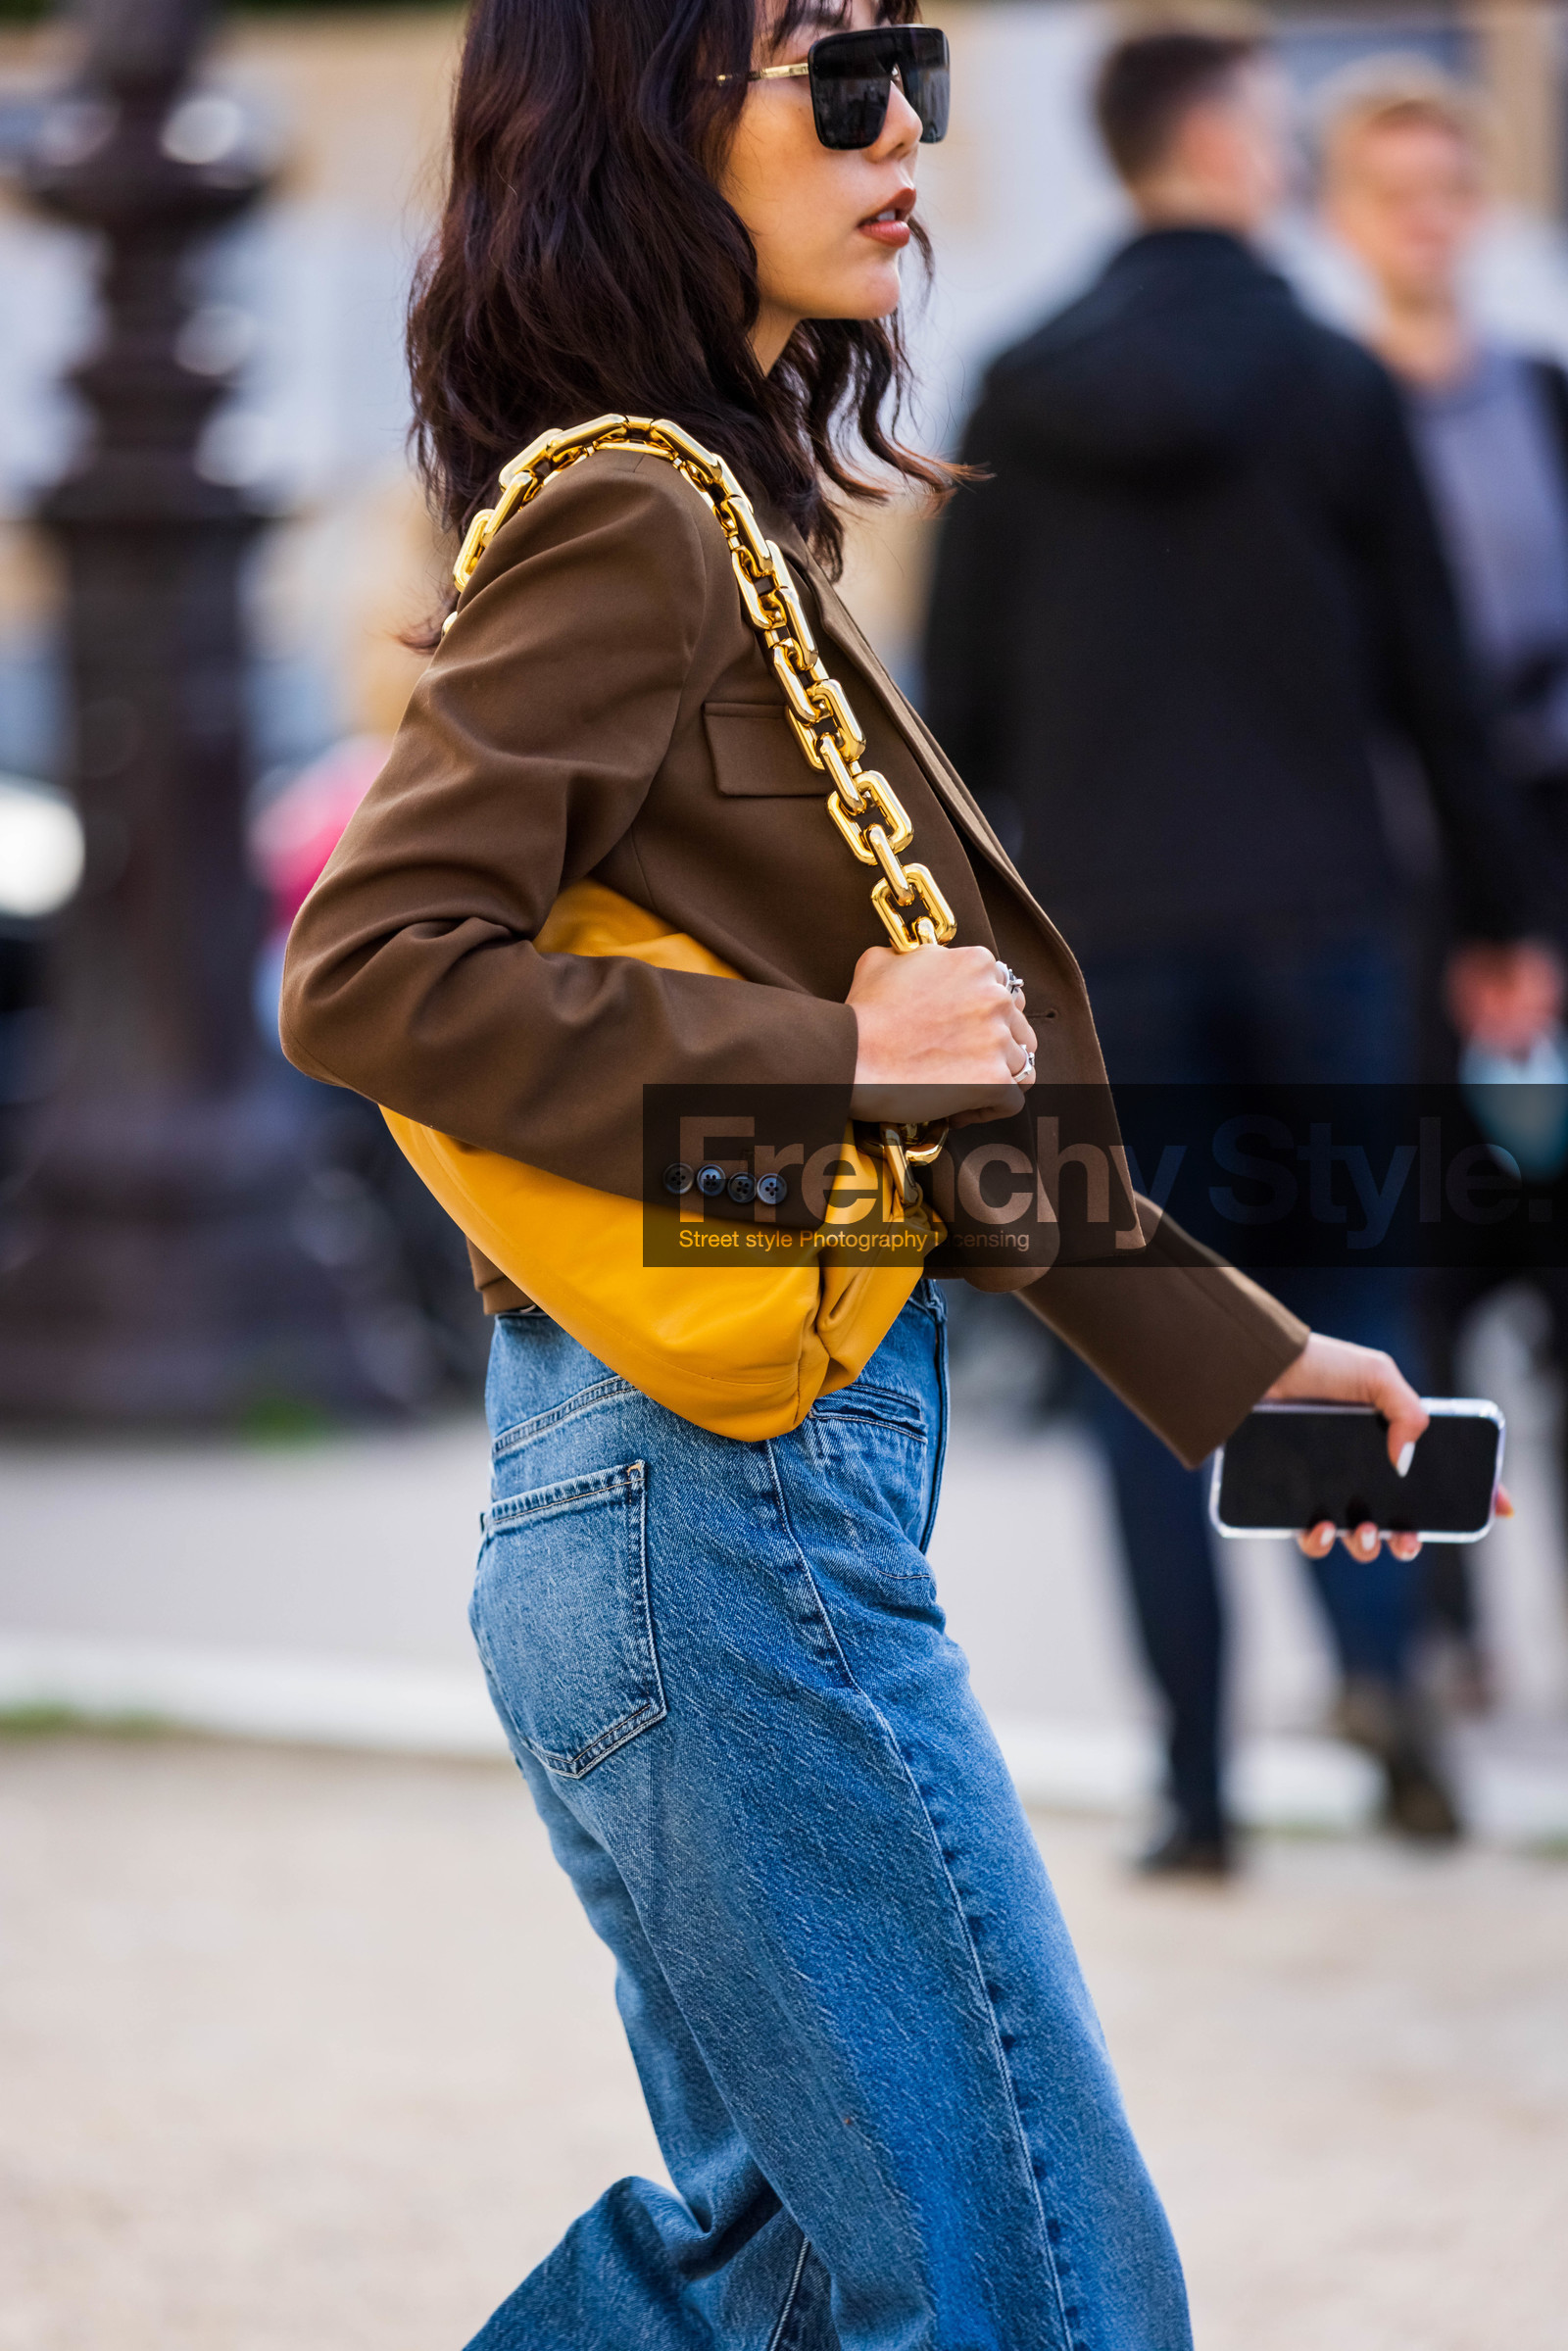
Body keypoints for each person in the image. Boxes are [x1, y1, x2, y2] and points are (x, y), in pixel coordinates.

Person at [280, 5, 1444, 2341]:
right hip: (716, 1518)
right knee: (1039, 2288)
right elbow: (373, 970)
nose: (904, 124)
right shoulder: (631, 514)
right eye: (834, 74)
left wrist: (1246, 1375)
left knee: (800, 2288)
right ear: (643, 121)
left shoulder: (722, 513)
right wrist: (826, 1056)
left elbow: (933, 1133)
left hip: (693, 1508)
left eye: (913, 63)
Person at [924, 25, 1551, 1870]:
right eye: (1271, 133)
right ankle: (1382, 1673)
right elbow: (1432, 677)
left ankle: (1196, 1794)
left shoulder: (1018, 387)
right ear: (1214, 142)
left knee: (1135, 1327)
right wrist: (1506, 920)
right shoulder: (1334, 380)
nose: (1285, 160)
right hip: (1328, 921)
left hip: (1113, 938)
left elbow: (957, 716)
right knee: (1353, 1290)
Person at [1320, 58, 1568, 1692]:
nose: (1427, 220)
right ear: (1341, 218)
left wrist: (1526, 917)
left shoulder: (1541, 399)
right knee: (1406, 1264)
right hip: (1390, 891)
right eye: (1392, 191)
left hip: (1547, 867)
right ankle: (1426, 1638)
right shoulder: (1320, 415)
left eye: (1448, 187)